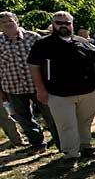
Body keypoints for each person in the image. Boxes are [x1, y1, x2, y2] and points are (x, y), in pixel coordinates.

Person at [27, 11, 95, 166]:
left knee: (84, 122)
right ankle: (71, 154)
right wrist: (40, 90)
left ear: (72, 24)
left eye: (67, 23)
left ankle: (85, 146)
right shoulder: (43, 44)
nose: (63, 26)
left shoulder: (83, 42)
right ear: (53, 24)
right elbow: (34, 67)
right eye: (59, 23)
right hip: (59, 93)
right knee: (66, 125)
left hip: (87, 91)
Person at [0, 11, 58, 151]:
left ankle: (59, 140)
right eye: (3, 23)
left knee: (50, 114)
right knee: (24, 118)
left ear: (17, 22)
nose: (8, 24)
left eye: (10, 21)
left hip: (37, 85)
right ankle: (38, 143)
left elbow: (46, 61)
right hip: (13, 87)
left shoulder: (32, 37)